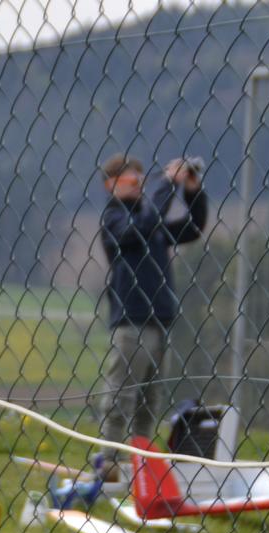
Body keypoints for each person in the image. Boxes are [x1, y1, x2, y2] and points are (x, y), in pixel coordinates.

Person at [92, 154, 207, 482]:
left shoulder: (149, 221)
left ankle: (140, 462)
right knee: (122, 394)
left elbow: (191, 228)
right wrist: (168, 184)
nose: (138, 186)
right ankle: (109, 460)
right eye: (131, 180)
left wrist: (192, 192)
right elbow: (143, 225)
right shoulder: (115, 220)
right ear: (111, 185)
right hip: (132, 320)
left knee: (149, 399)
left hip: (158, 319)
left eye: (141, 180)